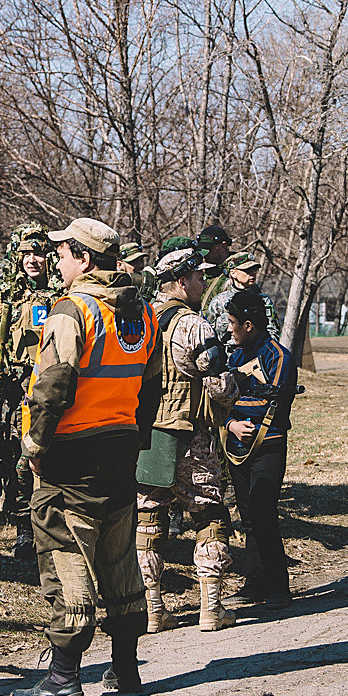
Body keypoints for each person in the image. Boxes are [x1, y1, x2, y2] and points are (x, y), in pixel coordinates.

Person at [12, 217, 162, 696]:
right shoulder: (144, 314)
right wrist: (134, 440)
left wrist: (35, 446)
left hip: (71, 453)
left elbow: (52, 387)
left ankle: (62, 677)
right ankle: (124, 668)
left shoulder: (72, 310)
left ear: (82, 258)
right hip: (120, 450)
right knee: (118, 556)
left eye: (61, 253)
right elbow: (152, 387)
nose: (55, 261)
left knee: (65, 552)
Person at [136, 246, 234, 633]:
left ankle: (154, 609)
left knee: (148, 521)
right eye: (198, 277)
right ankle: (212, 608)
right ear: (181, 281)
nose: (204, 283)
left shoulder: (141, 321)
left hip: (147, 437)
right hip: (191, 435)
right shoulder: (193, 325)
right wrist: (233, 392)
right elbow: (219, 383)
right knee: (209, 516)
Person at [0, 233, 60, 561]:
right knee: (19, 465)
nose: (32, 260)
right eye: (26, 254)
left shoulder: (62, 295)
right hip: (15, 395)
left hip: (53, 391)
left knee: (53, 460)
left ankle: (54, 525)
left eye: (38, 254)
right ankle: (24, 528)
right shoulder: (5, 297)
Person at [220, 286, 299, 609]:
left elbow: (274, 400)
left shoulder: (278, 355)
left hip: (268, 445)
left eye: (232, 323)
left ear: (248, 325)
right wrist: (231, 424)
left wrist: (237, 405)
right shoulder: (234, 354)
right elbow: (220, 398)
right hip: (237, 445)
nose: (228, 329)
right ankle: (254, 582)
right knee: (248, 516)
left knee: (264, 514)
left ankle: (279, 587)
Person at [206, 251, 276, 340]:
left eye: (255, 269)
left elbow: (273, 331)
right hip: (227, 352)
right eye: (247, 270)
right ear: (233, 273)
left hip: (257, 351)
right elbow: (209, 333)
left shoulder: (263, 301)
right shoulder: (219, 301)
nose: (253, 273)